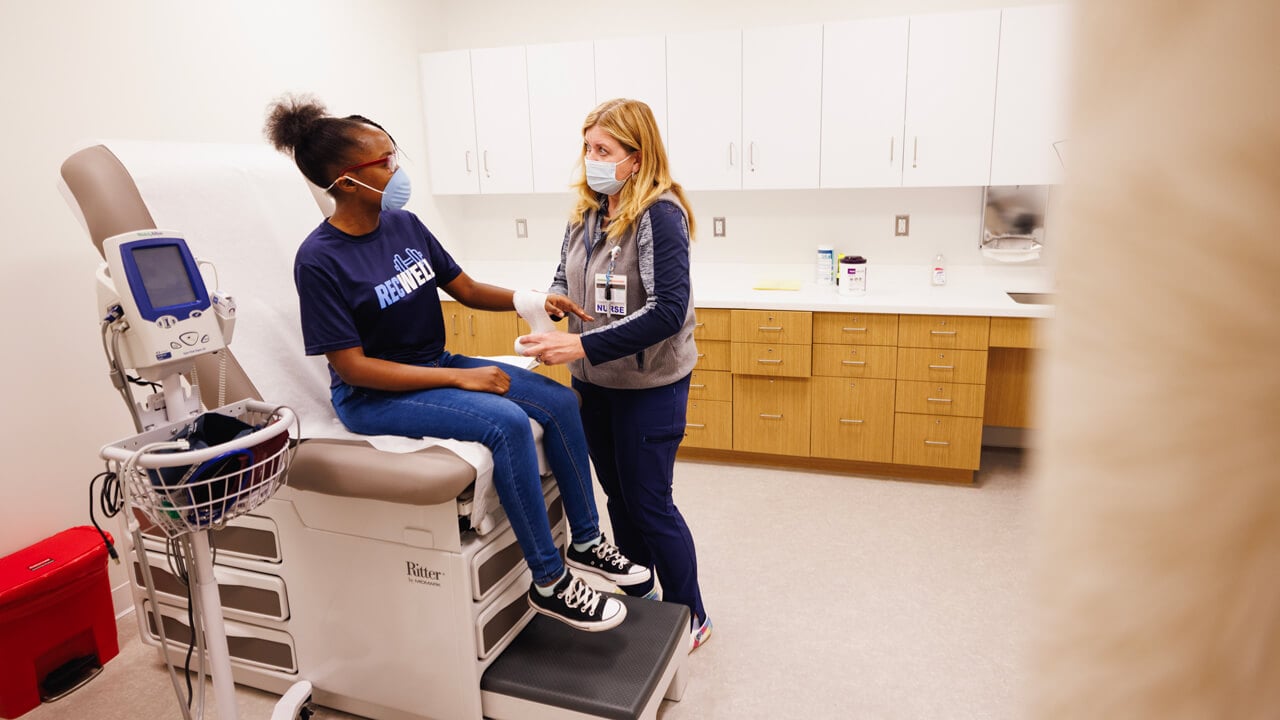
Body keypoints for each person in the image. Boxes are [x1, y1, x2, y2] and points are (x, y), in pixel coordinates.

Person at [263, 94, 649, 632]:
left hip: (432, 361)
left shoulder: (404, 225)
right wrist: (460, 377)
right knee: (508, 423)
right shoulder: (320, 259)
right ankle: (550, 581)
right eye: (384, 161)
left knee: (561, 401)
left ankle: (585, 542)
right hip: (374, 396)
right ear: (348, 181)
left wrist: (532, 300)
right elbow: (351, 368)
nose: (396, 169)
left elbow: (462, 287)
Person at [516, 98, 710, 649]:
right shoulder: (588, 210)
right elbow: (565, 272)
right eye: (587, 148)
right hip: (595, 383)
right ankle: (644, 595)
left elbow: (669, 310)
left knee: (650, 503)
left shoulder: (659, 215)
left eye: (604, 150)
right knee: (618, 500)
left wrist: (581, 343)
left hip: (649, 386)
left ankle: (692, 614)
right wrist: (555, 300)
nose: (591, 159)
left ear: (637, 155)